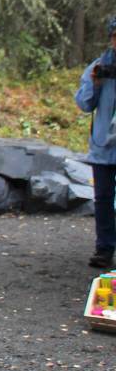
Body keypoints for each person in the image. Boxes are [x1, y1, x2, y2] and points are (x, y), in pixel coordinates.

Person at [76, 15, 116, 269]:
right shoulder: (99, 66)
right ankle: (104, 248)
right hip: (103, 147)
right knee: (102, 198)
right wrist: (95, 83)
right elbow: (83, 103)